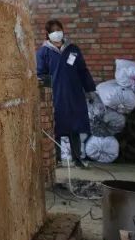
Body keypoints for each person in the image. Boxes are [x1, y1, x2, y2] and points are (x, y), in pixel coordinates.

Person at [36, 19, 95, 168]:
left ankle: (77, 159)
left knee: (74, 127)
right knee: (55, 127)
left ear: (62, 30)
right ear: (48, 34)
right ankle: (56, 160)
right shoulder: (44, 51)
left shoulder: (73, 49)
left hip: (74, 94)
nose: (57, 32)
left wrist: (89, 89)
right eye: (53, 30)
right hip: (55, 95)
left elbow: (83, 70)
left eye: (59, 29)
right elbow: (40, 73)